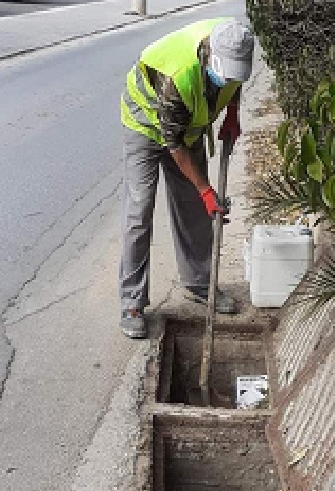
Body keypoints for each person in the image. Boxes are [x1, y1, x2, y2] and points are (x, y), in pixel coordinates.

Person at [119, 17, 255, 339]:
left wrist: (232, 112)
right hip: (145, 125)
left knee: (194, 210)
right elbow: (174, 145)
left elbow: (234, 83)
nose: (230, 79)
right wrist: (207, 190)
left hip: (185, 129)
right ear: (211, 57)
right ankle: (132, 303)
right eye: (227, 73)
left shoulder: (236, 42)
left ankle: (199, 283)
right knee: (139, 213)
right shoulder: (177, 76)